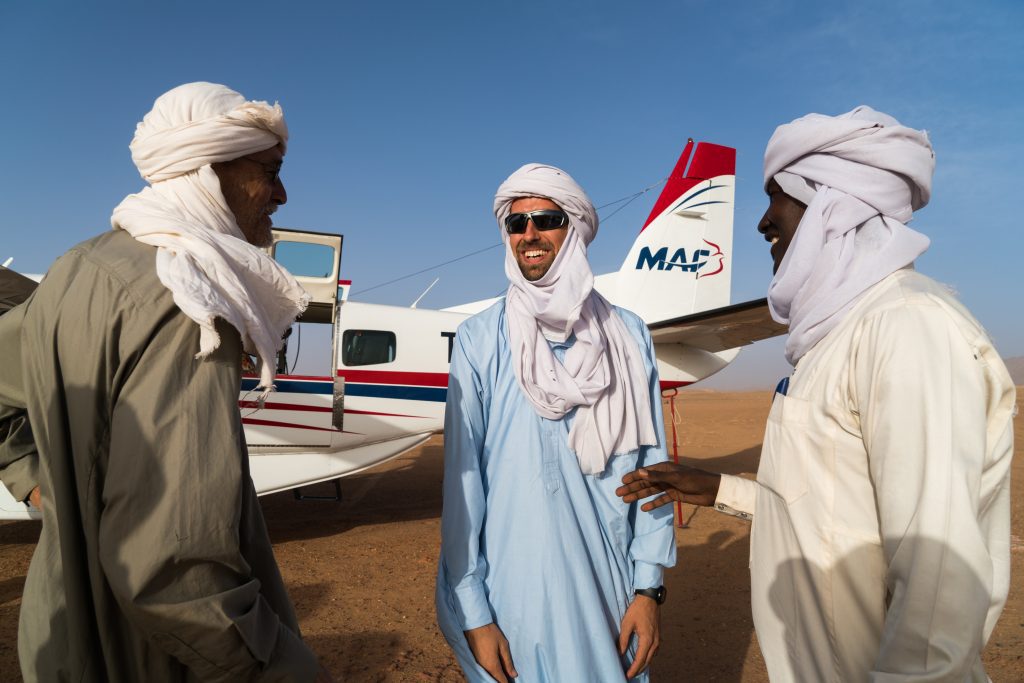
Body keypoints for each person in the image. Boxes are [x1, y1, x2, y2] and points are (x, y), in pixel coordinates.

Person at [617, 106, 1016, 681]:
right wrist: (722, 490)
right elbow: (841, 512)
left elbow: (936, 579)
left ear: (834, 207)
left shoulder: (907, 327)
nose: (762, 224)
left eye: (777, 197)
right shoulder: (836, 337)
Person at [0, 82, 335, 682]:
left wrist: (41, 487)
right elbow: (176, 579)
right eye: (270, 171)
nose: (282, 194)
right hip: (145, 658)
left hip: (59, 634)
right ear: (209, 171)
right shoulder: (191, 301)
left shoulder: (79, 267)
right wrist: (289, 671)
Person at [435, 163, 676, 682]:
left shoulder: (627, 337)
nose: (529, 235)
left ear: (575, 230)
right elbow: (464, 487)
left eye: (546, 219)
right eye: (516, 223)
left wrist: (648, 587)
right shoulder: (480, 339)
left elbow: (652, 471)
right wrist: (475, 613)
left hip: (606, 587)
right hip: (512, 593)